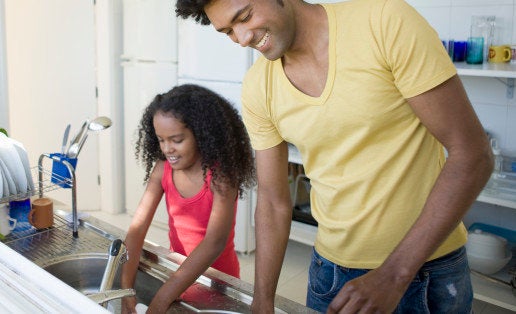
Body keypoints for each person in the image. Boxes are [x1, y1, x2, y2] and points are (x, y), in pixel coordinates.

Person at [175, 0, 494, 313]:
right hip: (331, 273)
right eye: (228, 31)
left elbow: (473, 154)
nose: (243, 39)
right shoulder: (259, 86)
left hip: (426, 270)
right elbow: (273, 201)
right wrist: (263, 300)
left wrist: (394, 275)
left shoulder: (384, 21)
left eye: (244, 17)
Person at [120, 84, 256, 313]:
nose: (167, 149)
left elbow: (214, 243)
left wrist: (161, 299)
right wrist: (126, 290)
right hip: (178, 277)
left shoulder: (221, 177)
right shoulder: (162, 170)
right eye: (161, 140)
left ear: (202, 134)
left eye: (176, 140)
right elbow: (137, 230)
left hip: (217, 284)